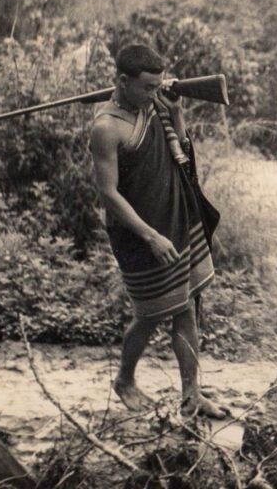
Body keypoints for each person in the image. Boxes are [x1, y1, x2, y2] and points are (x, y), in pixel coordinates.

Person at [89, 44, 227, 419]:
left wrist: (177, 114)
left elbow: (181, 153)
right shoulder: (105, 127)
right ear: (122, 81)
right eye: (148, 87)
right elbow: (108, 193)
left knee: (185, 311)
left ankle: (191, 396)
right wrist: (150, 236)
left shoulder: (152, 107)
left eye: (157, 85)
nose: (155, 93)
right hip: (139, 233)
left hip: (175, 218)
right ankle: (124, 381)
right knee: (150, 314)